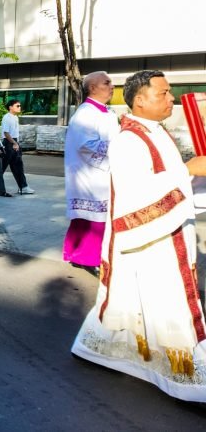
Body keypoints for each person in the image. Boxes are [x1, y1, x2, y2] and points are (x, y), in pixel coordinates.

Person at [71, 70, 206, 402]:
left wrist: (193, 176)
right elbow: (138, 195)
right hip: (149, 241)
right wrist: (189, 170)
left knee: (135, 303)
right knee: (167, 305)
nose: (171, 98)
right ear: (139, 100)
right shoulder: (129, 140)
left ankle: (101, 350)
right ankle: (185, 377)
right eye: (163, 93)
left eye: (170, 93)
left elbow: (175, 182)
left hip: (167, 232)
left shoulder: (157, 132)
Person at [63, 71, 119, 274]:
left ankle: (77, 255)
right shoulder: (85, 113)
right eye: (107, 82)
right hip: (91, 175)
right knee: (93, 220)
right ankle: (89, 258)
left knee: (90, 219)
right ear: (93, 87)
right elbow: (85, 145)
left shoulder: (107, 112)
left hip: (101, 174)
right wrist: (120, 148)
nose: (112, 86)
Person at [0, 99, 34, 194]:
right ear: (10, 107)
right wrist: (14, 143)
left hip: (14, 142)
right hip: (8, 143)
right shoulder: (6, 118)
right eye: (17, 106)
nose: (19, 107)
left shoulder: (15, 117)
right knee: (2, 165)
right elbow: (6, 133)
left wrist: (16, 143)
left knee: (18, 166)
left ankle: (23, 187)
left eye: (20, 105)